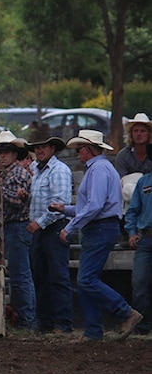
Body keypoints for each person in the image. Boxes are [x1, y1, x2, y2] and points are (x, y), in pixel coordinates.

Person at [51, 129, 143, 341]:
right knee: (86, 280)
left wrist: (70, 227)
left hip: (100, 228)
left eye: (80, 148)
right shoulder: (101, 168)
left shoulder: (98, 169)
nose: (77, 152)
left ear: (88, 149)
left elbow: (94, 206)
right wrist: (65, 209)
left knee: (86, 279)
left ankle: (125, 312)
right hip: (101, 227)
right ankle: (93, 330)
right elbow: (91, 206)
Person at [25, 128, 74, 334]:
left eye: (43, 146)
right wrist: (24, 196)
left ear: (52, 148)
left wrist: (39, 222)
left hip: (54, 227)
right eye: (37, 147)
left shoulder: (59, 170)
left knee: (58, 276)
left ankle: (62, 323)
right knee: (41, 276)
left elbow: (60, 203)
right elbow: (37, 198)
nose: (40, 150)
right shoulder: (35, 169)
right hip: (40, 229)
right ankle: (46, 322)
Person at [0, 130, 37, 330]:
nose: (2, 155)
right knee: (18, 275)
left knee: (21, 276)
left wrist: (0, 188)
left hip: (17, 226)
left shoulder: (19, 173)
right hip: (10, 227)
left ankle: (28, 321)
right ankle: (23, 318)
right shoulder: (7, 173)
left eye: (7, 151)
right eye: (0, 152)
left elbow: (18, 202)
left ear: (16, 154)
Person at [124, 168, 152, 335]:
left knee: (141, 283)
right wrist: (132, 232)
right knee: (140, 283)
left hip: (146, 239)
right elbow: (133, 210)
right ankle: (141, 327)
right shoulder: (144, 181)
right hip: (146, 238)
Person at [115, 113, 152, 177]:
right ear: (131, 134)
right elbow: (120, 180)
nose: (139, 134)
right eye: (135, 131)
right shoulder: (123, 156)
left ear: (149, 134)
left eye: (143, 131)